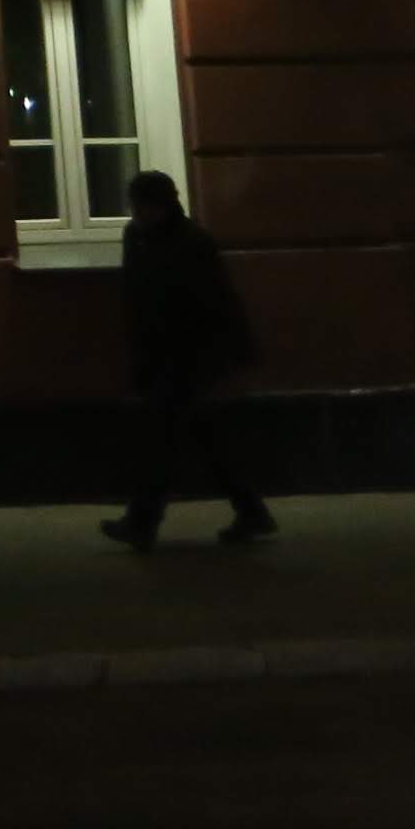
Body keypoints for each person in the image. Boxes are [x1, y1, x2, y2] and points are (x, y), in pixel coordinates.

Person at [102, 169, 274, 551]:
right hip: (168, 354)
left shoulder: (190, 242)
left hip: (190, 355)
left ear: (162, 205)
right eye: (135, 206)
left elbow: (211, 304)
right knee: (204, 438)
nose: (137, 213)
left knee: (162, 440)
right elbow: (136, 298)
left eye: (143, 206)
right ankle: (251, 511)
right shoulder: (142, 237)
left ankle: (141, 522)